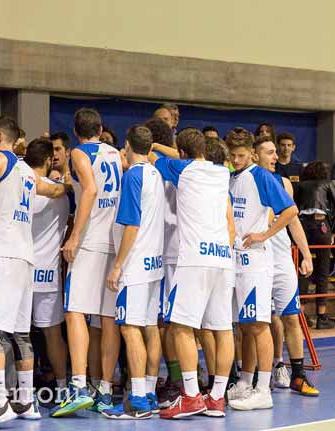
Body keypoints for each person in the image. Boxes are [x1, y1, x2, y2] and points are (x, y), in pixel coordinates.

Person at [0, 116, 70, 430]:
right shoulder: (24, 170)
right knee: (20, 333)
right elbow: (55, 190)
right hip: (26, 259)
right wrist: (73, 180)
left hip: (3, 255)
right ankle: (26, 401)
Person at [154, 128, 235, 419]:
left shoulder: (183, 170)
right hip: (223, 259)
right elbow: (192, 156)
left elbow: (155, 158)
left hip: (195, 258)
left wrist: (156, 145)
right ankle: (216, 398)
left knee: (180, 327)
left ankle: (190, 396)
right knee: (223, 329)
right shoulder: (222, 172)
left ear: (183, 152)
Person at [51, 108, 123, 417]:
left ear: (77, 131)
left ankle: (79, 386)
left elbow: (91, 189)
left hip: (92, 241)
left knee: (75, 311)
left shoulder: (80, 153)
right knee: (108, 319)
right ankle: (105, 390)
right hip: (115, 240)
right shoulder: (117, 155)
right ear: (101, 127)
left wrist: (74, 235)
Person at [226, 127, 297, 411]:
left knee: (258, 325)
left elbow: (290, 210)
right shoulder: (231, 177)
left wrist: (263, 234)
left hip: (256, 262)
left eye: (241, 155)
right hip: (236, 261)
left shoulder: (262, 176)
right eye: (232, 155)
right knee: (244, 326)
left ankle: (263, 389)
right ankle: (245, 380)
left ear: (252, 153)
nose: (236, 159)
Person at [102, 125, 164, 420]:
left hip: (136, 264)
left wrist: (118, 265)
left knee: (129, 328)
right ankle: (148, 391)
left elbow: (132, 224)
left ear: (127, 145)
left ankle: (137, 399)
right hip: (155, 263)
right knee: (149, 327)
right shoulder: (156, 173)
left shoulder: (133, 176)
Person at [252, 136, 318, 396]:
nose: (275, 157)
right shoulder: (241, 182)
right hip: (256, 258)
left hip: (280, 259)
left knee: (290, 317)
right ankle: (251, 372)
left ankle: (296, 373)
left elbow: (294, 221)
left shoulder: (283, 183)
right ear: (254, 155)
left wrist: (306, 254)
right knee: (256, 321)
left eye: (274, 152)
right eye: (269, 152)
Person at [24, 138, 69, 396]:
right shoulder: (60, 193)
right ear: (48, 160)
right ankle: (62, 389)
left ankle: (19, 391)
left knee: (17, 334)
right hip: (48, 272)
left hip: (23, 268)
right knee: (53, 334)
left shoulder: (23, 187)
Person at [144, 117, 182, 406]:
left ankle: (177, 379)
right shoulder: (166, 163)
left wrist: (154, 147)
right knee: (165, 322)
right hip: (166, 249)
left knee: (169, 322)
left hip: (170, 250)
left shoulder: (171, 163)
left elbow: (180, 155)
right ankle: (171, 377)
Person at [296, 162, 335, 329]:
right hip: (321, 226)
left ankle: (301, 315)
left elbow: (293, 208)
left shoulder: (300, 186)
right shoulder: (328, 184)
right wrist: (333, 232)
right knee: (323, 271)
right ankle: (322, 316)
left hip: (303, 226)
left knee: (303, 269)